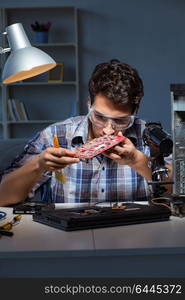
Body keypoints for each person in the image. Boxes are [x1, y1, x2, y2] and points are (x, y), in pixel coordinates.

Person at [0, 59, 172, 206]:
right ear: (89, 104)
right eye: (99, 117)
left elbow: (179, 191)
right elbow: (3, 197)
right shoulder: (56, 135)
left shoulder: (152, 136)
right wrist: (39, 164)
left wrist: (138, 161)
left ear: (136, 111)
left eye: (121, 121)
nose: (108, 130)